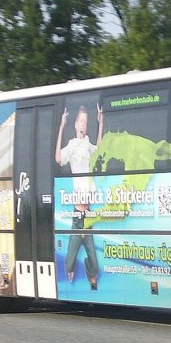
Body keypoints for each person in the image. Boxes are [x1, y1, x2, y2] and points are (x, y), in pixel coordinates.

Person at [55, 103, 104, 290]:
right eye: (80, 121)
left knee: (93, 257)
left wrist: (101, 123)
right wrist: (61, 126)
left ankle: (92, 278)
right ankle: (71, 271)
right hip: (77, 215)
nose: (83, 125)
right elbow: (59, 158)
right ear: (75, 124)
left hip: (88, 215)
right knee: (69, 260)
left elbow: (99, 151)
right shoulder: (72, 145)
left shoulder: (88, 144)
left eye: (86, 121)